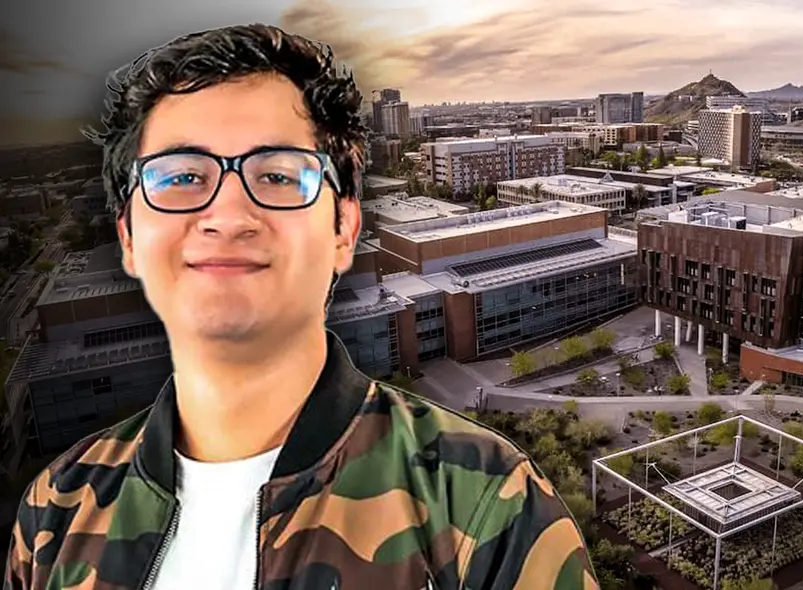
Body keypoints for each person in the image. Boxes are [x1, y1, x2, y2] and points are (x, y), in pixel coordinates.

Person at [5, 24, 596, 590]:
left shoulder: (480, 501)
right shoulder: (58, 511)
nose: (228, 216)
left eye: (280, 175)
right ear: (129, 236)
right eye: (181, 176)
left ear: (343, 228)